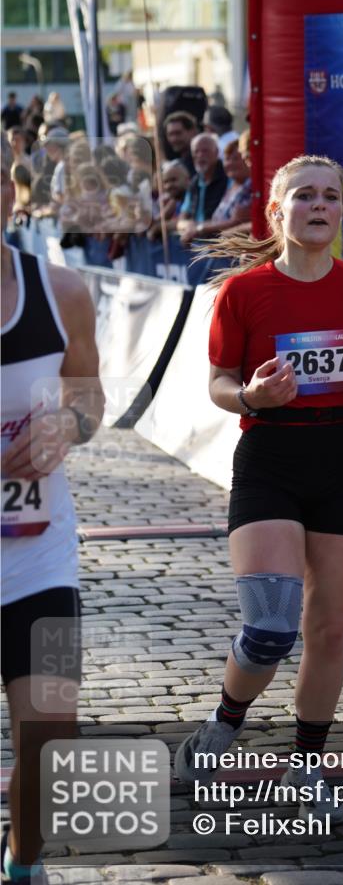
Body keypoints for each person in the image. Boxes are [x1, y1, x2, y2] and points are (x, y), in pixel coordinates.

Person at [174, 154, 343, 825]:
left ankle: (306, 765)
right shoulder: (245, 293)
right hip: (270, 458)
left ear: (341, 212)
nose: (317, 205)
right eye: (303, 195)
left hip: (342, 457)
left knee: (328, 630)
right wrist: (250, 393)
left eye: (329, 196)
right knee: (270, 627)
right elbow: (219, 382)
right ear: (276, 212)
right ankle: (223, 725)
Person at [0, 133, 105, 883]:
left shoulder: (61, 291)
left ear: (10, 194)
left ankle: (23, 862)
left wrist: (68, 426)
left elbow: (89, 392)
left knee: (52, 729)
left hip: (40, 552)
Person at [177, 133, 228, 245]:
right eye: (196, 151)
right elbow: (181, 219)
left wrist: (200, 228)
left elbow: (231, 219)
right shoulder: (194, 182)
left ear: (216, 153)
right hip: (197, 245)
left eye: (205, 151)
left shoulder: (228, 178)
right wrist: (189, 226)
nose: (200, 155)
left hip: (219, 245)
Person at [164, 111, 198, 176]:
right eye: (170, 134)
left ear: (192, 132)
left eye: (178, 133)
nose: (174, 139)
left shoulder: (201, 159)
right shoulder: (176, 164)